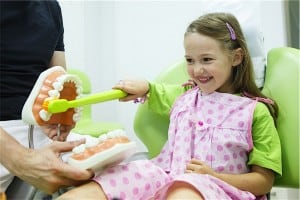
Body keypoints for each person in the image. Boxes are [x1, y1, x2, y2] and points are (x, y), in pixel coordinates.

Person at [58, 12, 282, 200]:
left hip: (220, 189)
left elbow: (263, 182)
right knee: (117, 178)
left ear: (236, 58)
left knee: (184, 190)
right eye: (190, 60)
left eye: (206, 59)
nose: (197, 70)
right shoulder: (185, 95)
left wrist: (213, 175)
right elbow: (157, 91)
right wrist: (143, 86)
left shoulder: (255, 111)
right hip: (166, 175)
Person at [0, 0, 93, 195]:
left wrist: (61, 115)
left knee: (119, 170)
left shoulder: (50, 7)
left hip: (38, 130)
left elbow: (58, 78)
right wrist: (20, 159)